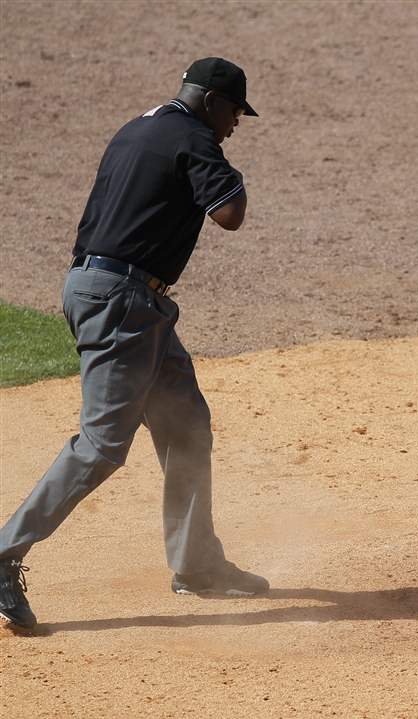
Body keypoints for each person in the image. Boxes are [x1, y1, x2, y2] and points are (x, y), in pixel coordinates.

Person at [0, 58, 268, 631]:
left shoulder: (137, 127)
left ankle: (198, 566)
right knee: (101, 445)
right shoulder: (192, 136)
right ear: (213, 102)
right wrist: (227, 171)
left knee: (186, 423)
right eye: (233, 115)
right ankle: (5, 551)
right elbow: (230, 215)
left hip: (115, 296)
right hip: (123, 304)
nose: (234, 126)